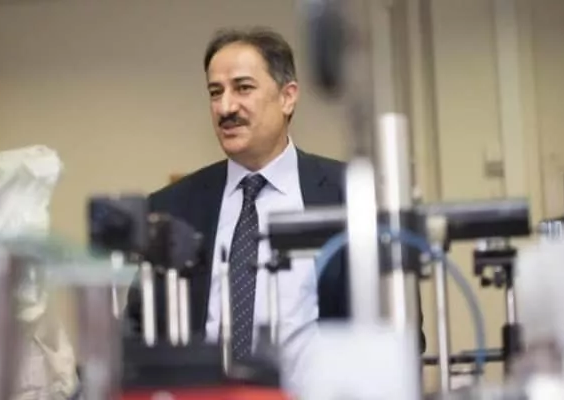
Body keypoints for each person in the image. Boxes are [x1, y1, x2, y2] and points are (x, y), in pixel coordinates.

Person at [125, 27, 424, 384]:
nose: (225, 107)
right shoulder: (172, 207)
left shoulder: (352, 195)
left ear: (287, 97)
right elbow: (138, 329)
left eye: (243, 88)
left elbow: (399, 325)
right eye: (215, 92)